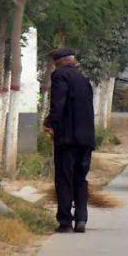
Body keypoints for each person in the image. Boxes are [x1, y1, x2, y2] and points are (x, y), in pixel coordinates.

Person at [43, 47, 95, 233]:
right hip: (87, 140)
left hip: (67, 139)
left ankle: (65, 221)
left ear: (58, 62)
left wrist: (50, 123)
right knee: (81, 179)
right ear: (73, 60)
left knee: (65, 179)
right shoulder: (84, 80)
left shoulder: (60, 76)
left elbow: (59, 104)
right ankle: (81, 220)